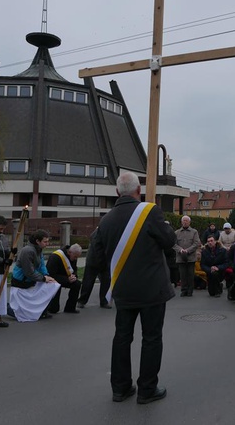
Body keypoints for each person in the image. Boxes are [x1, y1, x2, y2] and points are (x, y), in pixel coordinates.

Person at [92, 171, 176, 404]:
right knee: (151, 338)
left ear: (117, 192)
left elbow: (97, 258)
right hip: (152, 290)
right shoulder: (150, 212)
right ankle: (147, 389)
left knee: (121, 338)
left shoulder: (105, 220)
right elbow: (169, 242)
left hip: (122, 290)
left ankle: (120, 388)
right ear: (138, 191)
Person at [8, 229, 60, 322]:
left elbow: (42, 265)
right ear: (37, 241)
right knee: (21, 313)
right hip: (21, 282)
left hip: (30, 280)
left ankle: (41, 311)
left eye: (48, 241)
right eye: (45, 241)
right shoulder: (27, 251)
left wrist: (47, 276)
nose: (47, 244)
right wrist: (44, 278)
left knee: (52, 285)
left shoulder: (39, 249)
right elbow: (29, 272)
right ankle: (5, 307)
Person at [78, 229, 112, 309]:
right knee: (88, 282)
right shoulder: (98, 233)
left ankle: (104, 301)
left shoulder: (104, 231)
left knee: (106, 282)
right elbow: (97, 248)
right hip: (94, 261)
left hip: (104, 261)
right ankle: (82, 301)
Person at [46, 243, 83, 314]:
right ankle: (51, 308)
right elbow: (50, 275)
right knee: (54, 310)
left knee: (77, 284)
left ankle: (70, 308)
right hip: (54, 280)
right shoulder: (55, 257)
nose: (76, 259)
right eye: (75, 257)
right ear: (69, 252)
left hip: (66, 278)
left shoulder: (73, 256)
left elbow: (74, 269)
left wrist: (74, 276)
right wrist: (66, 279)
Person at [174, 215, 201, 297]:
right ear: (181, 222)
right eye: (184, 221)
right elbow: (174, 244)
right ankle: (183, 290)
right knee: (182, 275)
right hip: (180, 257)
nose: (185, 222)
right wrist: (180, 250)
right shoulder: (176, 232)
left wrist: (188, 250)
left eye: (186, 221)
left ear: (189, 222)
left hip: (191, 257)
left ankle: (190, 290)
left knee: (190, 274)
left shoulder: (194, 232)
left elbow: (196, 243)